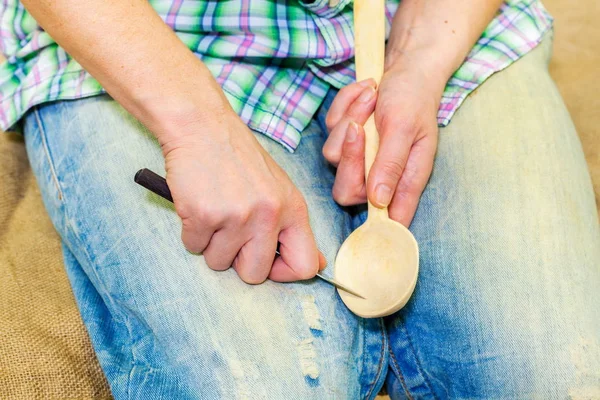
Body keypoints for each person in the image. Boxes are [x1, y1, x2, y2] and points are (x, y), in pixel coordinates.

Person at [1, 0, 599, 398]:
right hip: (141, 30)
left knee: (555, 374)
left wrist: (421, 59)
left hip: (435, 17)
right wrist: (196, 125)